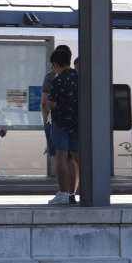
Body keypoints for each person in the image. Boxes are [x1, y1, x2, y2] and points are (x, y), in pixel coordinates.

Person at [43, 46, 80, 205]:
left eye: (54, 66)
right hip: (78, 124)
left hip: (61, 125)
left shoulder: (57, 80)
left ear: (56, 64)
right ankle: (80, 192)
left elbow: (51, 105)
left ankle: (63, 194)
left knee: (62, 159)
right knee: (78, 159)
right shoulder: (80, 77)